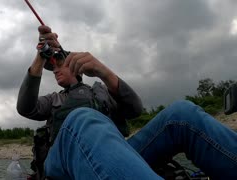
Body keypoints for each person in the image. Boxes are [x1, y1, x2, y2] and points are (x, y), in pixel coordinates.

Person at [17, 25, 237, 179]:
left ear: (76, 64)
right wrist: (40, 57)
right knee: (82, 117)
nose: (55, 70)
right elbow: (26, 108)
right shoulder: (54, 99)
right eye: (51, 68)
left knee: (182, 112)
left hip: (116, 155)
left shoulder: (101, 91)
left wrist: (103, 71)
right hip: (63, 163)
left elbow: (135, 110)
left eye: (58, 64)